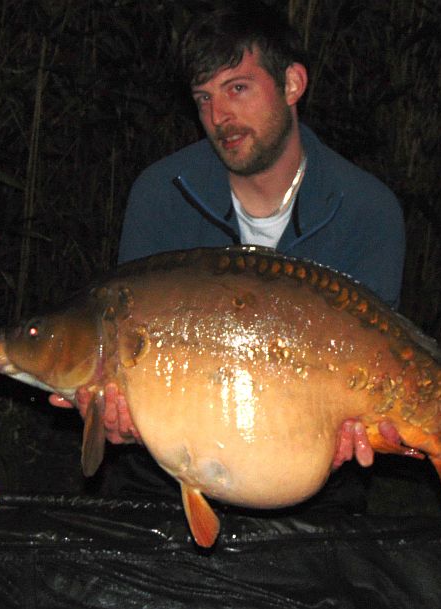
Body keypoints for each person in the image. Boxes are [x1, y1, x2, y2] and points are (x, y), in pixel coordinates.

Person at [50, 2, 404, 499]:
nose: (219, 117)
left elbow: (375, 361)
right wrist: (121, 417)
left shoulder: (368, 209)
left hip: (311, 475)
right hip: (169, 473)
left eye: (238, 88)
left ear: (292, 84)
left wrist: (365, 428)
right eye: (203, 98)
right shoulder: (160, 193)